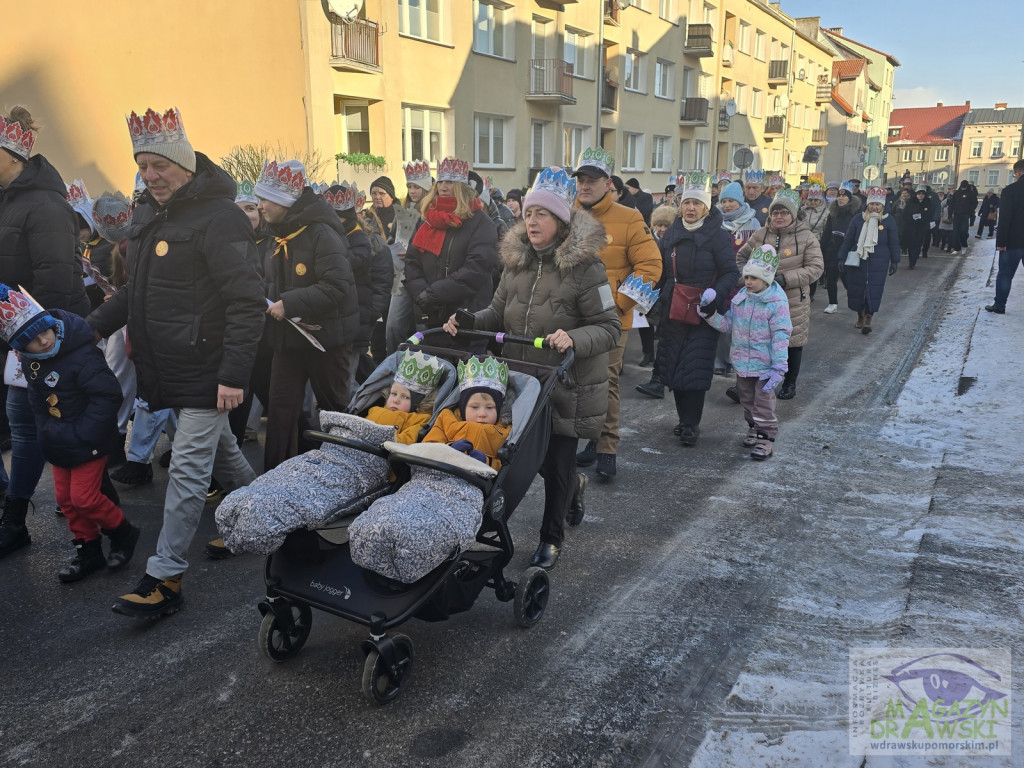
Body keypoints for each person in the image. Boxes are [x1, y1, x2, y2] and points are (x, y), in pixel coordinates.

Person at [88, 106, 266, 618]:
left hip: (209, 371)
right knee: (227, 454)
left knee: (188, 470)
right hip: (168, 368)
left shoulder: (221, 217)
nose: (150, 176)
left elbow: (246, 302)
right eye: (142, 166)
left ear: (183, 162)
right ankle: (266, 515)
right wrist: (89, 327)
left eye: (158, 165)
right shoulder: (146, 214)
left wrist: (233, 376)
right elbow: (134, 291)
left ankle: (164, 577)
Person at [443, 166, 620, 570]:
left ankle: (551, 538)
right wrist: (469, 320)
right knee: (521, 461)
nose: (532, 220)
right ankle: (575, 486)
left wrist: (574, 338)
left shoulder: (586, 267)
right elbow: (497, 313)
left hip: (565, 384)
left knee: (556, 466)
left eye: (542, 214)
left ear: (560, 220)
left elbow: (609, 327)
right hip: (522, 383)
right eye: (528, 213)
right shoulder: (516, 263)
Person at [215, 349, 448, 556]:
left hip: (366, 464)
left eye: (405, 397)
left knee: (309, 493)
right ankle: (250, 503)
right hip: (336, 454)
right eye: (394, 394)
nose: (396, 400)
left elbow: (405, 445)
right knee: (295, 473)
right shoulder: (374, 409)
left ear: (418, 403)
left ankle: (259, 518)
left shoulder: (418, 420)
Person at [1, 284, 140, 581]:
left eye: (45, 332)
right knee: (66, 500)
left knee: (85, 498)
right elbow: (37, 401)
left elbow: (108, 395)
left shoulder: (81, 353)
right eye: (34, 342)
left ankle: (122, 532)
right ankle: (88, 549)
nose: (43, 340)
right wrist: (45, 431)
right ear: (21, 349)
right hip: (57, 439)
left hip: (86, 441)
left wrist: (83, 433)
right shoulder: (31, 361)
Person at [0, 105, 91, 559]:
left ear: (11, 155)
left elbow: (55, 282)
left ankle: (16, 520)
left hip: (33, 337)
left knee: (27, 424)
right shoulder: (7, 200)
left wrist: (29, 342)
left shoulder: (45, 205)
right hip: (8, 336)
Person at [348, 355, 515, 583]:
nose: (482, 413)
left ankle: (411, 557)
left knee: (422, 528)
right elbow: (427, 446)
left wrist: (483, 460)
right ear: (464, 406)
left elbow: (500, 464)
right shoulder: (447, 419)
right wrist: (448, 448)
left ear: (499, 409)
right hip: (430, 477)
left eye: (489, 407)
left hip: (466, 485)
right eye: (474, 407)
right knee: (391, 512)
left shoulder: (501, 431)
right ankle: (376, 546)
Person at [255, 159, 360, 471]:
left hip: (327, 338)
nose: (260, 206)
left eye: (265, 199)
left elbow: (337, 286)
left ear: (286, 200)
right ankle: (275, 479)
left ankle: (347, 471)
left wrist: (288, 303)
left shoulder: (321, 233)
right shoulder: (277, 234)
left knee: (334, 411)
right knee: (280, 411)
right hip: (288, 339)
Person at [570, 149, 661, 479]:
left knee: (604, 382)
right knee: (571, 383)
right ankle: (581, 441)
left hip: (610, 320)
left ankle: (607, 447)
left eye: (591, 180)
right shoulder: (566, 215)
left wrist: (618, 305)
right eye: (580, 179)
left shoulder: (629, 217)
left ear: (608, 184)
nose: (584, 185)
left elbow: (651, 266)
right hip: (568, 317)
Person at [655, 172, 739, 446]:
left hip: (704, 311)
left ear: (706, 207)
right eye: (687, 203)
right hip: (674, 307)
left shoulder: (717, 235)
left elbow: (730, 272)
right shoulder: (672, 233)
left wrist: (715, 293)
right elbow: (663, 271)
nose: (691, 208)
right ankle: (683, 419)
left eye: (697, 204)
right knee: (676, 367)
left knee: (696, 368)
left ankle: (692, 423)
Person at [697, 245, 792, 460]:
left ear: (766, 279)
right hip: (742, 363)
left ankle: (765, 439)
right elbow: (729, 325)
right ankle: (753, 427)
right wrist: (710, 316)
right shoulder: (741, 297)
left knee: (764, 403)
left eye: (754, 278)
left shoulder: (776, 302)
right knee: (747, 401)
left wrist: (779, 366)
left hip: (766, 365)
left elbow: (780, 335)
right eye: (747, 276)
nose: (748, 281)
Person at [735, 189, 824, 400]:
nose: (779, 217)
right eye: (775, 213)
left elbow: (816, 267)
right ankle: (754, 384)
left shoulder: (806, 237)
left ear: (793, 214)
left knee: (791, 342)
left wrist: (786, 279)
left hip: (792, 299)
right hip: (760, 300)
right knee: (759, 341)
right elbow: (740, 257)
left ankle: (789, 383)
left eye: (784, 212)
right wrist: (750, 278)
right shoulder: (760, 234)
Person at [403, 157, 498, 329]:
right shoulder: (427, 219)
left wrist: (432, 294)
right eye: (440, 181)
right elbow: (411, 260)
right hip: (431, 314)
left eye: (450, 182)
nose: (443, 187)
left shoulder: (480, 222)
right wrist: (421, 293)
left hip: (465, 315)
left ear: (462, 187)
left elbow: (475, 270)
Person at [837, 187, 901, 333]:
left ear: (882, 206)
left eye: (877, 205)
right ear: (868, 205)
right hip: (858, 260)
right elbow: (848, 239)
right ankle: (860, 314)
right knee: (857, 289)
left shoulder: (888, 221)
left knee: (874, 290)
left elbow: (894, 242)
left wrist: (895, 261)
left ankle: (868, 318)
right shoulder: (858, 219)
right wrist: (841, 257)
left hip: (879, 262)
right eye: (872, 204)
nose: (874, 207)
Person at [985, 159, 1024, 314]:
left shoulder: (1010, 191)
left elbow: (1005, 218)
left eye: (1014, 174)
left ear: (1019, 172)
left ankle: (1000, 305)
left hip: (1012, 241)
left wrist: (1001, 242)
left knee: (1005, 274)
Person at [819, 184, 862, 314]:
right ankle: (832, 303)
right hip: (832, 250)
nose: (841, 198)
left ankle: (857, 302)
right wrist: (821, 249)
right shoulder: (833, 213)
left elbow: (858, 235)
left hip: (848, 252)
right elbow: (827, 232)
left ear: (850, 199)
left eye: (844, 196)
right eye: (839, 196)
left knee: (848, 279)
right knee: (831, 277)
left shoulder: (856, 215)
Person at [906, 185, 935, 269]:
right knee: (911, 245)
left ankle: (914, 261)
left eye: (922, 194)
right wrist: (910, 220)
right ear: (916, 194)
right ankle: (911, 260)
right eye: (919, 193)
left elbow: (929, 214)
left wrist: (924, 219)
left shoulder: (928, 203)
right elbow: (906, 214)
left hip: (922, 226)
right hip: (912, 226)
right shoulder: (911, 202)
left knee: (918, 244)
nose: (920, 195)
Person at [950, 180, 978, 253]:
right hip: (956, 215)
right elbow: (952, 204)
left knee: (963, 231)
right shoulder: (957, 193)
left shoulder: (971, 194)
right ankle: (956, 248)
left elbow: (975, 203)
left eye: (964, 187)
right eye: (962, 187)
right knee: (955, 233)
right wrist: (950, 214)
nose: (963, 189)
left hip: (965, 215)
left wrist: (970, 211)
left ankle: (964, 245)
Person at [369, 175, 398, 243]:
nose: (377, 197)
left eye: (382, 193)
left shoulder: (400, 216)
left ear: (391, 197)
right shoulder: (368, 216)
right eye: (374, 193)